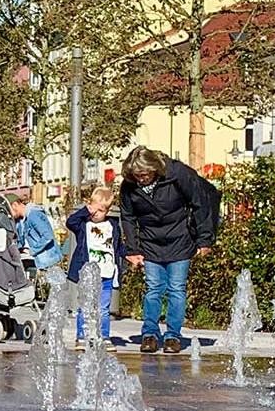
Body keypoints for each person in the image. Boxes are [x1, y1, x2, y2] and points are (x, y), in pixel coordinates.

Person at [114, 146, 221, 354]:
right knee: (153, 289)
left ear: (154, 168)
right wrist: (132, 249)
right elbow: (127, 217)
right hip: (150, 243)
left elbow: (200, 203)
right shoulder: (129, 186)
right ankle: (150, 334)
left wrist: (204, 240)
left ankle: (173, 336)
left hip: (180, 239)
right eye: (137, 176)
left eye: (144, 175)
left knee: (176, 289)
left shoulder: (177, 173)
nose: (141, 179)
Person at [67, 187, 119, 349]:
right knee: (85, 306)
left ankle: (104, 337)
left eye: (101, 210)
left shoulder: (113, 225)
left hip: (107, 273)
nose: (96, 213)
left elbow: (117, 247)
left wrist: (132, 256)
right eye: (93, 208)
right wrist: (85, 211)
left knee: (104, 308)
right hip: (89, 273)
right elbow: (70, 222)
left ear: (107, 211)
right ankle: (81, 336)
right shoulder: (84, 224)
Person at [12, 194, 60, 273]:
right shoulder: (21, 220)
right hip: (34, 261)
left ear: (15, 205)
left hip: (47, 262)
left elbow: (47, 236)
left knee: (46, 285)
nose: (10, 214)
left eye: (10, 210)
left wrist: (32, 250)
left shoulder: (33, 214)